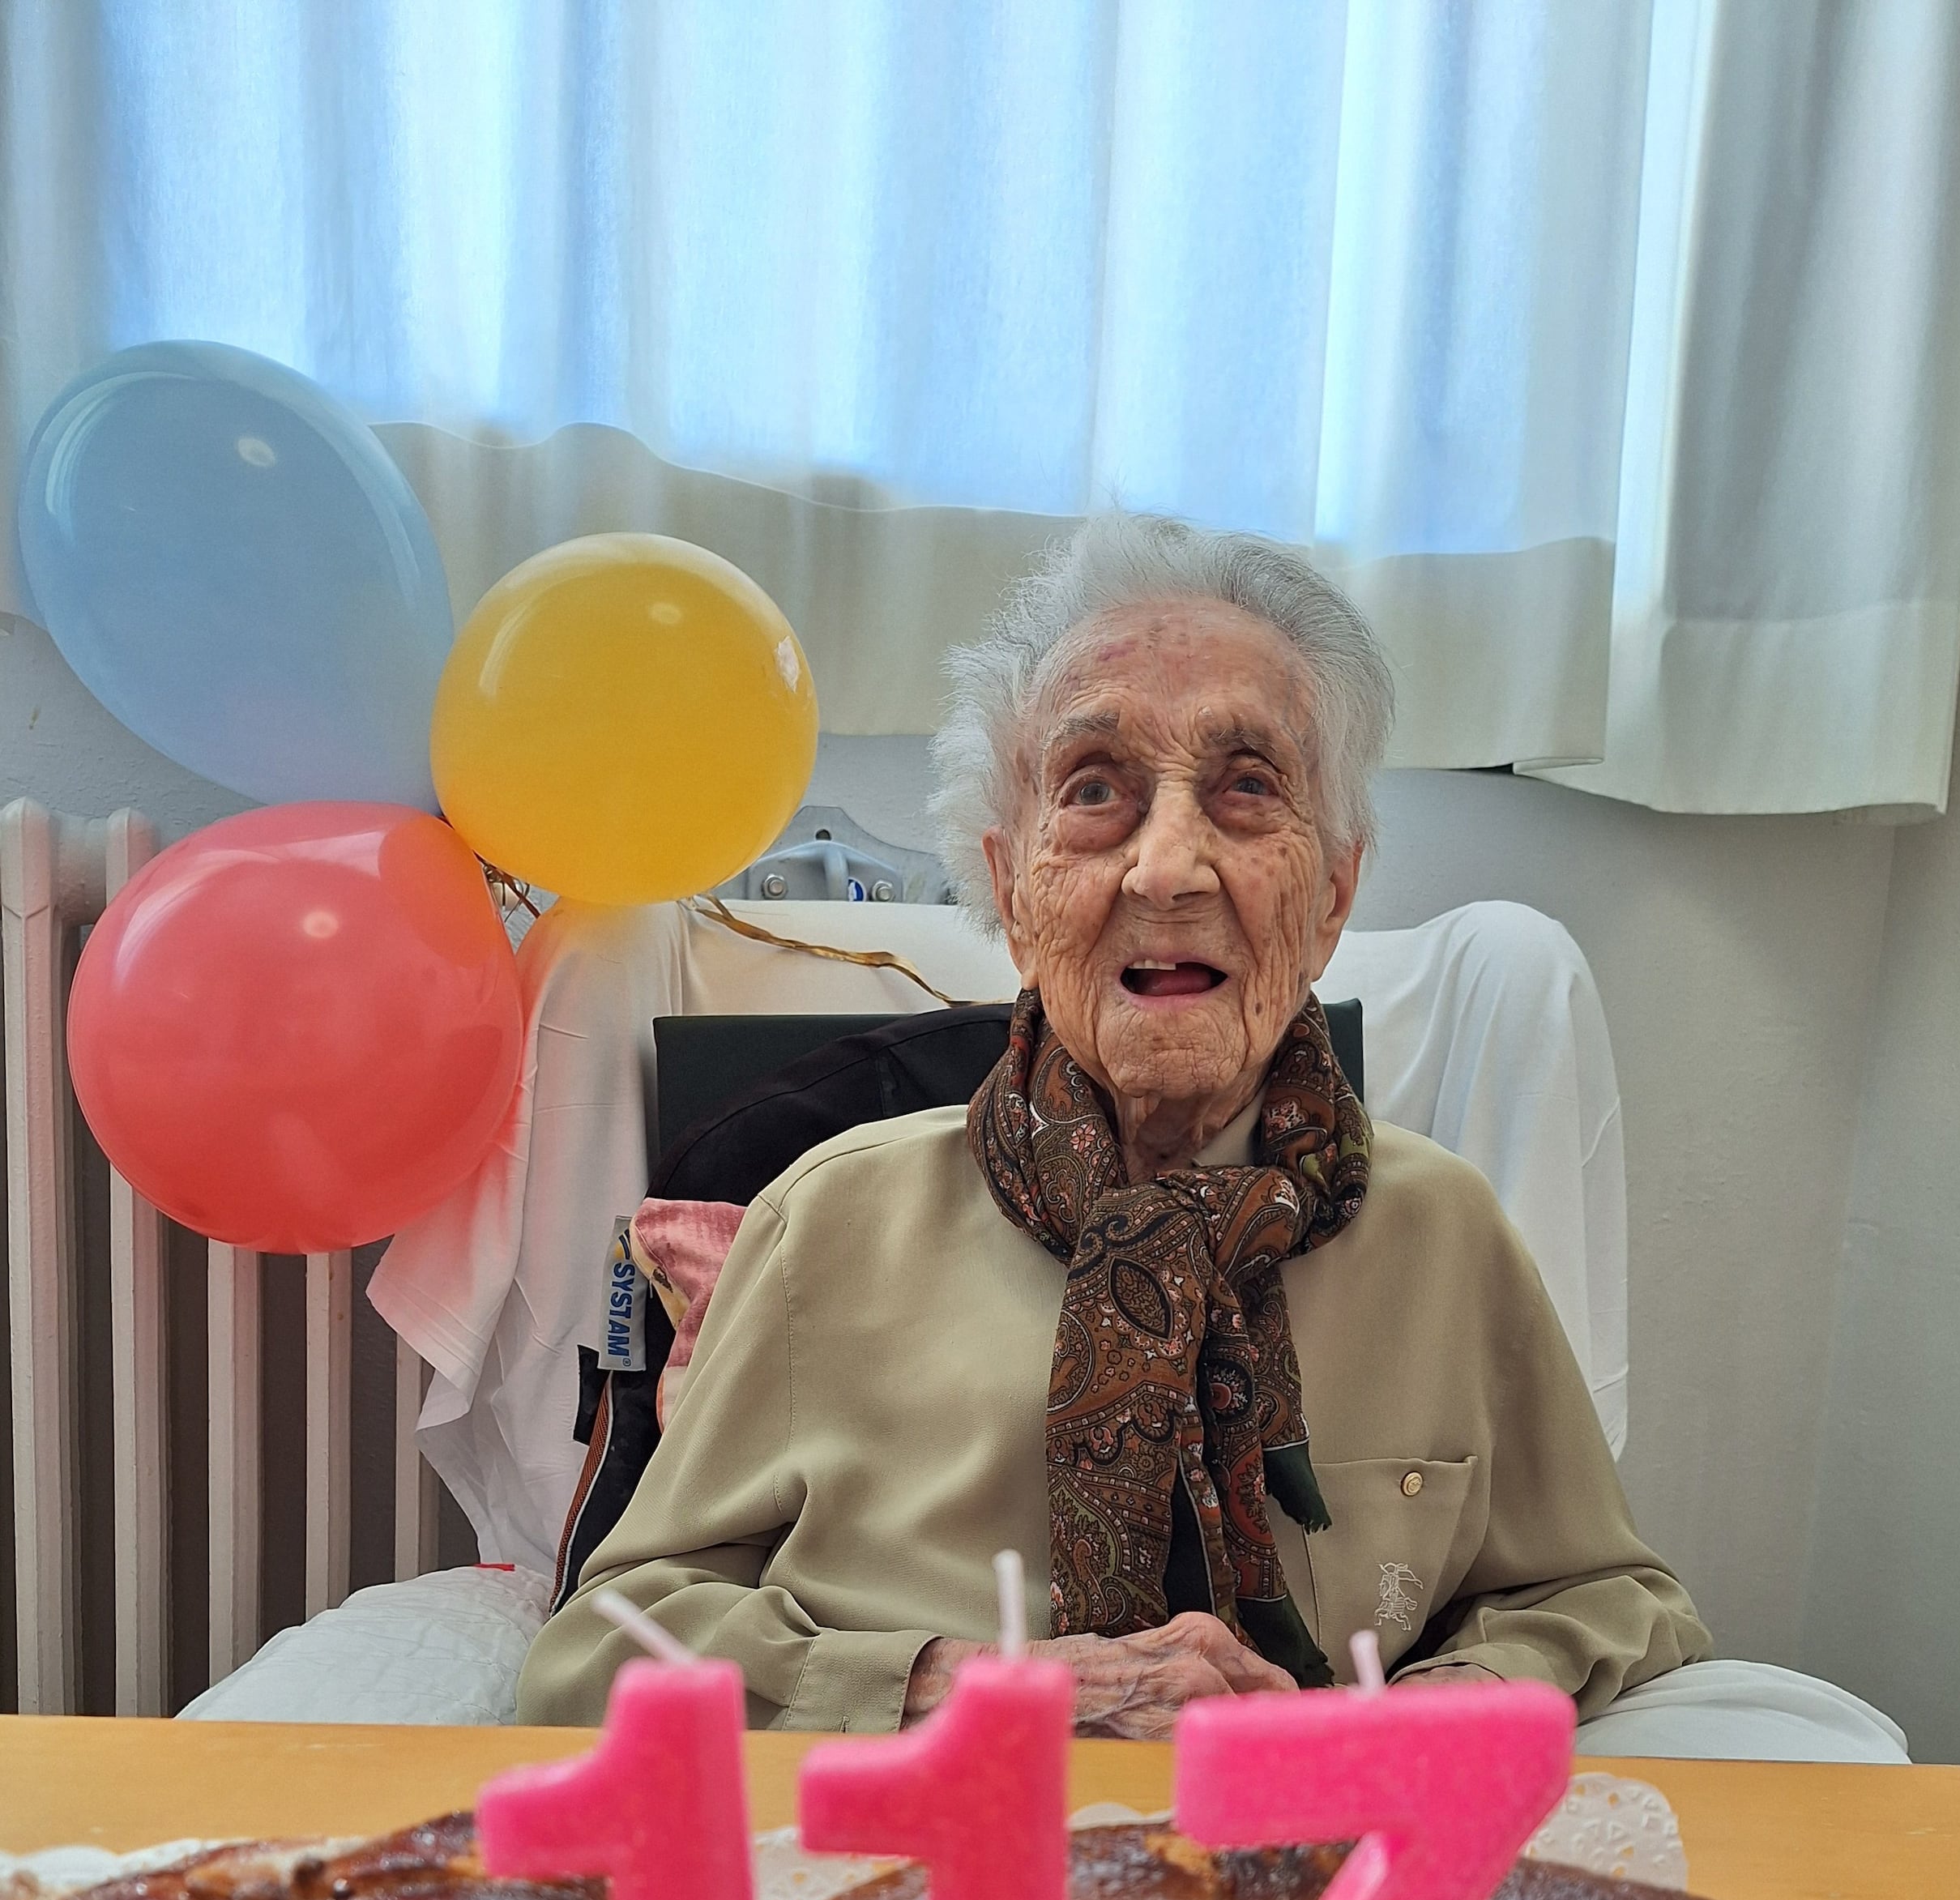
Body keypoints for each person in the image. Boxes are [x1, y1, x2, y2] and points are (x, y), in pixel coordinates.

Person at [519, 515, 1709, 1738]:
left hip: (1310, 1880)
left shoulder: (1445, 1237)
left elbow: (1609, 1596)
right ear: (1014, 888)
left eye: (1248, 788)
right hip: (919, 1869)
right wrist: (955, 1689)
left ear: (1336, 891)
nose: (1169, 868)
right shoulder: (826, 1223)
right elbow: (597, 1652)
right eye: (1095, 791)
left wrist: (1426, 1710)